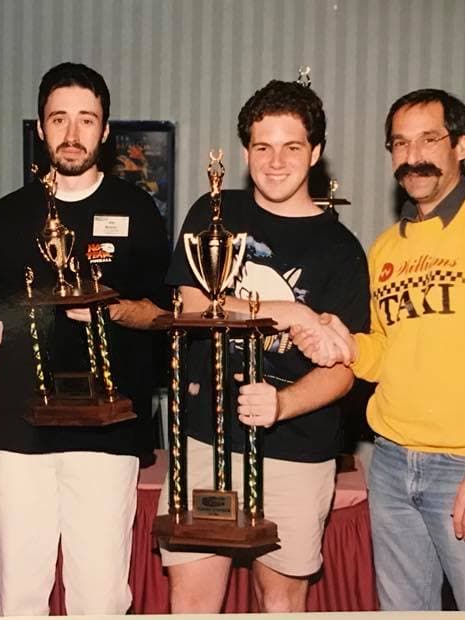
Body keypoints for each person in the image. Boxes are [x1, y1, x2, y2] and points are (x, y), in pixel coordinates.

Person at [291, 88, 465, 611]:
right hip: (392, 461)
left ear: (462, 145)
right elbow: (387, 352)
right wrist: (342, 344)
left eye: (429, 139)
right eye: (399, 143)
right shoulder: (388, 246)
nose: (412, 156)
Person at [157, 79, 370, 613]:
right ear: (245, 150)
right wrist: (291, 311)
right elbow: (188, 302)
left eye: (292, 147)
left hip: (297, 449)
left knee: (280, 603)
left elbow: (343, 367)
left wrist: (282, 403)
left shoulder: (341, 249)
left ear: (316, 152)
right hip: (203, 441)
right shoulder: (213, 213)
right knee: (192, 603)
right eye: (262, 147)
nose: (276, 163)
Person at [0, 62, 170, 616]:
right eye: (59, 118)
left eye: (87, 120)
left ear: (106, 132)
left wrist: (106, 308)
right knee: (17, 596)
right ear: (40, 128)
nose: (72, 133)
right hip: (19, 436)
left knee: (101, 598)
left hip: (108, 434)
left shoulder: (138, 211)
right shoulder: (6, 218)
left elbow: (160, 314)